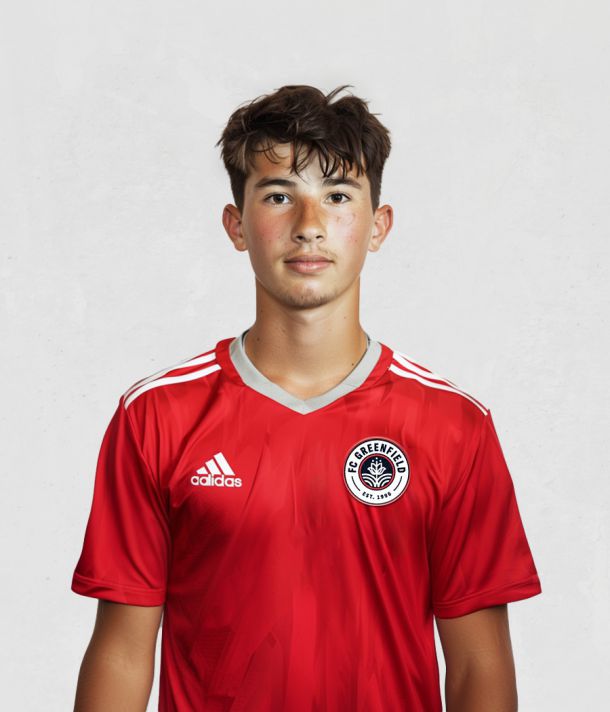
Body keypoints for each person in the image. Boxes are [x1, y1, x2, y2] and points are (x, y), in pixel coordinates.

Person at [71, 84, 542, 711]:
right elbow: (124, 654)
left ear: (378, 226)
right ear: (237, 225)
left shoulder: (453, 425)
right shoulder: (158, 416)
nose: (310, 226)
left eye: (338, 196)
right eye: (278, 196)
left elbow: (479, 664)